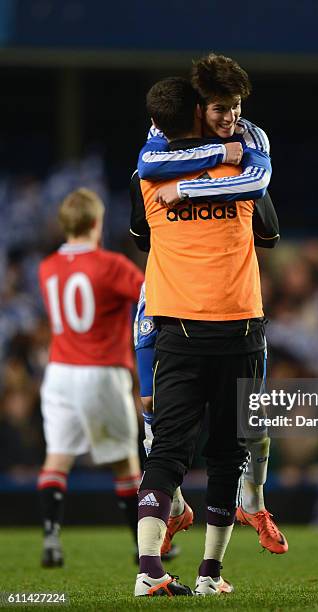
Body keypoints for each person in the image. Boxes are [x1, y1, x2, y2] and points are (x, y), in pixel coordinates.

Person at [130, 53, 286, 559]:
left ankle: (254, 502)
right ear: (199, 109)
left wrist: (191, 189)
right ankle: (174, 511)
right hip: (175, 302)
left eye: (236, 107)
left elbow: (259, 187)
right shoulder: (155, 157)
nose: (230, 118)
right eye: (220, 108)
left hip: (235, 307)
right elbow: (150, 166)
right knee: (156, 423)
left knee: (249, 423)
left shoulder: (252, 138)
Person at [37, 188, 144, 567]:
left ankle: (51, 537)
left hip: (60, 372)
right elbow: (149, 295)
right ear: (97, 223)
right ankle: (142, 547)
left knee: (57, 459)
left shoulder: (47, 266)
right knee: (125, 463)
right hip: (101, 370)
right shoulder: (110, 264)